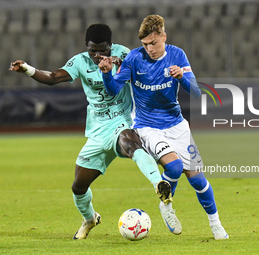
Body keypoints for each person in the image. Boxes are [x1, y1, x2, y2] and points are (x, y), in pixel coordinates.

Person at [9, 23, 172, 240]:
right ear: (87, 46)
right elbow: (53, 77)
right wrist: (27, 69)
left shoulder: (123, 53)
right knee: (78, 186)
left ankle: (158, 184)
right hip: (97, 131)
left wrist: (118, 62)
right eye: (93, 50)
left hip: (121, 120)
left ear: (110, 46)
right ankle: (90, 219)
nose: (97, 55)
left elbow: (145, 68)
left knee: (129, 141)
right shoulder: (80, 62)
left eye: (103, 50)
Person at [99, 15, 228, 240]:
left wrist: (182, 78)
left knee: (198, 180)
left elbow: (196, 92)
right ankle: (167, 207)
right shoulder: (133, 59)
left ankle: (215, 224)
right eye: (145, 44)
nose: (150, 49)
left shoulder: (177, 55)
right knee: (175, 168)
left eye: (154, 43)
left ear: (164, 37)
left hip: (177, 125)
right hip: (148, 127)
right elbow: (113, 90)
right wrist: (106, 73)